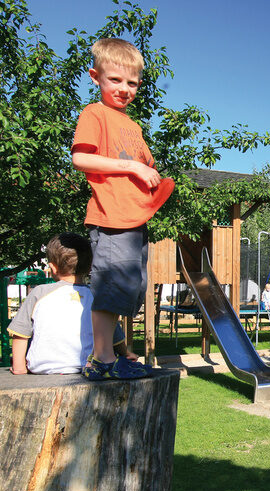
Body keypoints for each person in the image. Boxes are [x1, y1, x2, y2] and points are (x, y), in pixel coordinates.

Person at [71, 38, 173, 380]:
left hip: (133, 218)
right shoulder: (95, 113)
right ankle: (101, 359)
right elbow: (80, 158)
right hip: (111, 217)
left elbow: (144, 164)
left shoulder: (132, 126)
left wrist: (151, 180)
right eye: (115, 80)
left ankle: (119, 353)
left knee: (128, 288)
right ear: (96, 76)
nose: (124, 88)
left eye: (131, 82)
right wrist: (132, 168)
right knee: (111, 285)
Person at [7, 233, 131, 375]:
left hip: (43, 367)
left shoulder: (39, 293)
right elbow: (114, 335)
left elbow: (21, 333)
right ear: (90, 267)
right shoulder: (98, 296)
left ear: (52, 268)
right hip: (89, 366)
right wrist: (125, 353)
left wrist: (19, 367)